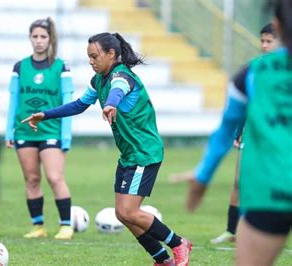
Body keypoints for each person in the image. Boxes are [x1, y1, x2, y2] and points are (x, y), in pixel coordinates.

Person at [22, 32, 192, 266]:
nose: (91, 61)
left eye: (95, 56)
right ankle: (162, 260)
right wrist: (46, 115)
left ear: (111, 54)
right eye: (89, 57)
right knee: (122, 213)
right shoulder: (99, 80)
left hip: (144, 153)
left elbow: (119, 89)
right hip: (129, 155)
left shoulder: (122, 75)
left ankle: (178, 243)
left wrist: (111, 103)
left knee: (130, 212)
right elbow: (80, 104)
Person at [185, 0, 291, 264]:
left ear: (277, 24)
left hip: (272, 189)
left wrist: (202, 177)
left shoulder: (252, 73)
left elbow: (224, 132)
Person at [169, 23, 280, 245]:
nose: (265, 45)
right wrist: (240, 132)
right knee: (239, 182)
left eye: (270, 41)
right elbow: (237, 113)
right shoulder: (253, 70)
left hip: (280, 139)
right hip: (253, 135)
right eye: (263, 40)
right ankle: (232, 230)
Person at [5, 17, 75, 240]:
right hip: (24, 132)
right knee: (32, 180)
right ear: (30, 38)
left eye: (43, 36)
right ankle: (38, 226)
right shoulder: (20, 67)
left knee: (55, 177)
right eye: (34, 36)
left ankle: (66, 225)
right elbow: (14, 101)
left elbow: (68, 102)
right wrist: (9, 132)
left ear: (50, 39)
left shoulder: (61, 67)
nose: (38, 41)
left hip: (51, 131)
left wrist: (66, 136)